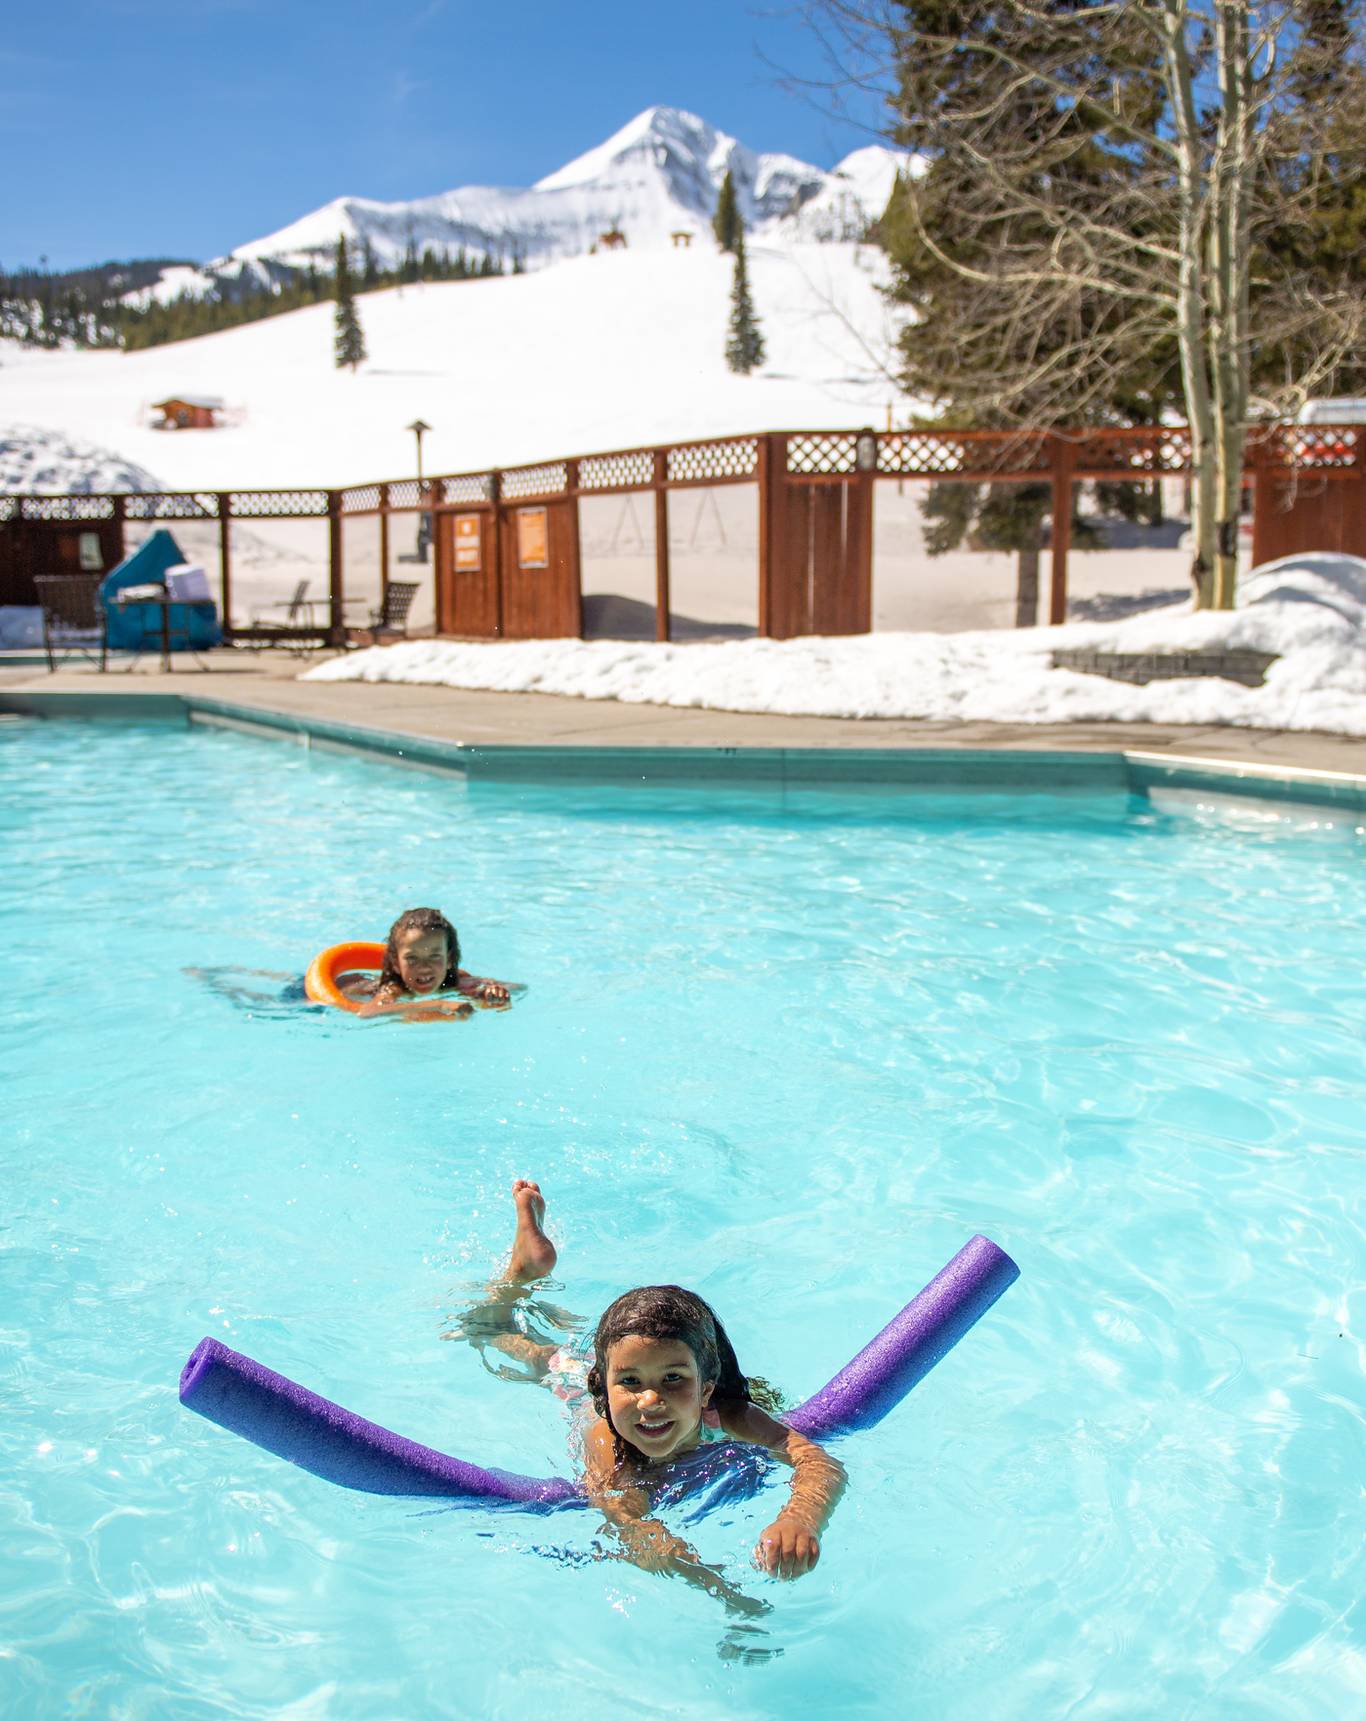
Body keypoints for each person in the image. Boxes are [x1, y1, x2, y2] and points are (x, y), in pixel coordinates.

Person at [455, 1179, 846, 1610]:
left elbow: (816, 1461)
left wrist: (800, 1517)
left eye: (674, 1379)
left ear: (706, 1390)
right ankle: (520, 1273)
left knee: (556, 1338)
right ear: (607, 1387)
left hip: (616, 1362)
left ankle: (532, 1282)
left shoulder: (725, 1415)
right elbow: (631, 1525)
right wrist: (721, 1590)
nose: (649, 1400)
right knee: (496, 1335)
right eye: (632, 1384)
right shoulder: (607, 1442)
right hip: (574, 1377)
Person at [345, 907, 512, 1019]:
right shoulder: (394, 989)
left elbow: (518, 988)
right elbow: (367, 1012)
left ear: (450, 959)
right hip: (353, 987)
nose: (424, 967)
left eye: (434, 956)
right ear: (395, 963)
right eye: (412, 958)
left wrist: (492, 992)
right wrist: (438, 1005)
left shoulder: (458, 981)